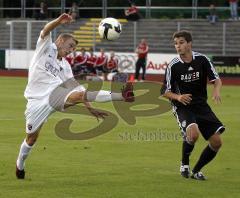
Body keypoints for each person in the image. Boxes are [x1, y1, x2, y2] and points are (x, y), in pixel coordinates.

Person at [15, 13, 135, 179]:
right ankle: (20, 164)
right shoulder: (45, 49)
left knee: (79, 94)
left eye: (73, 49)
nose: (71, 51)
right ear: (60, 41)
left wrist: (91, 109)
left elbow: (78, 89)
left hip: (55, 96)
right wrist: (58, 21)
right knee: (31, 138)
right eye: (70, 46)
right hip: (35, 102)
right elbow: (45, 30)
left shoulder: (65, 66)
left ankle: (123, 96)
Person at [161, 30, 225, 180]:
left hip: (201, 105)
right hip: (182, 106)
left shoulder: (202, 60)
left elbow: (216, 79)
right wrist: (178, 97)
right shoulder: (173, 66)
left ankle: (196, 171)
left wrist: (216, 90)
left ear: (189, 43)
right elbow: (164, 91)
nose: (178, 46)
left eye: (181, 43)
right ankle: (184, 163)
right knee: (193, 134)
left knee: (216, 142)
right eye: (176, 44)